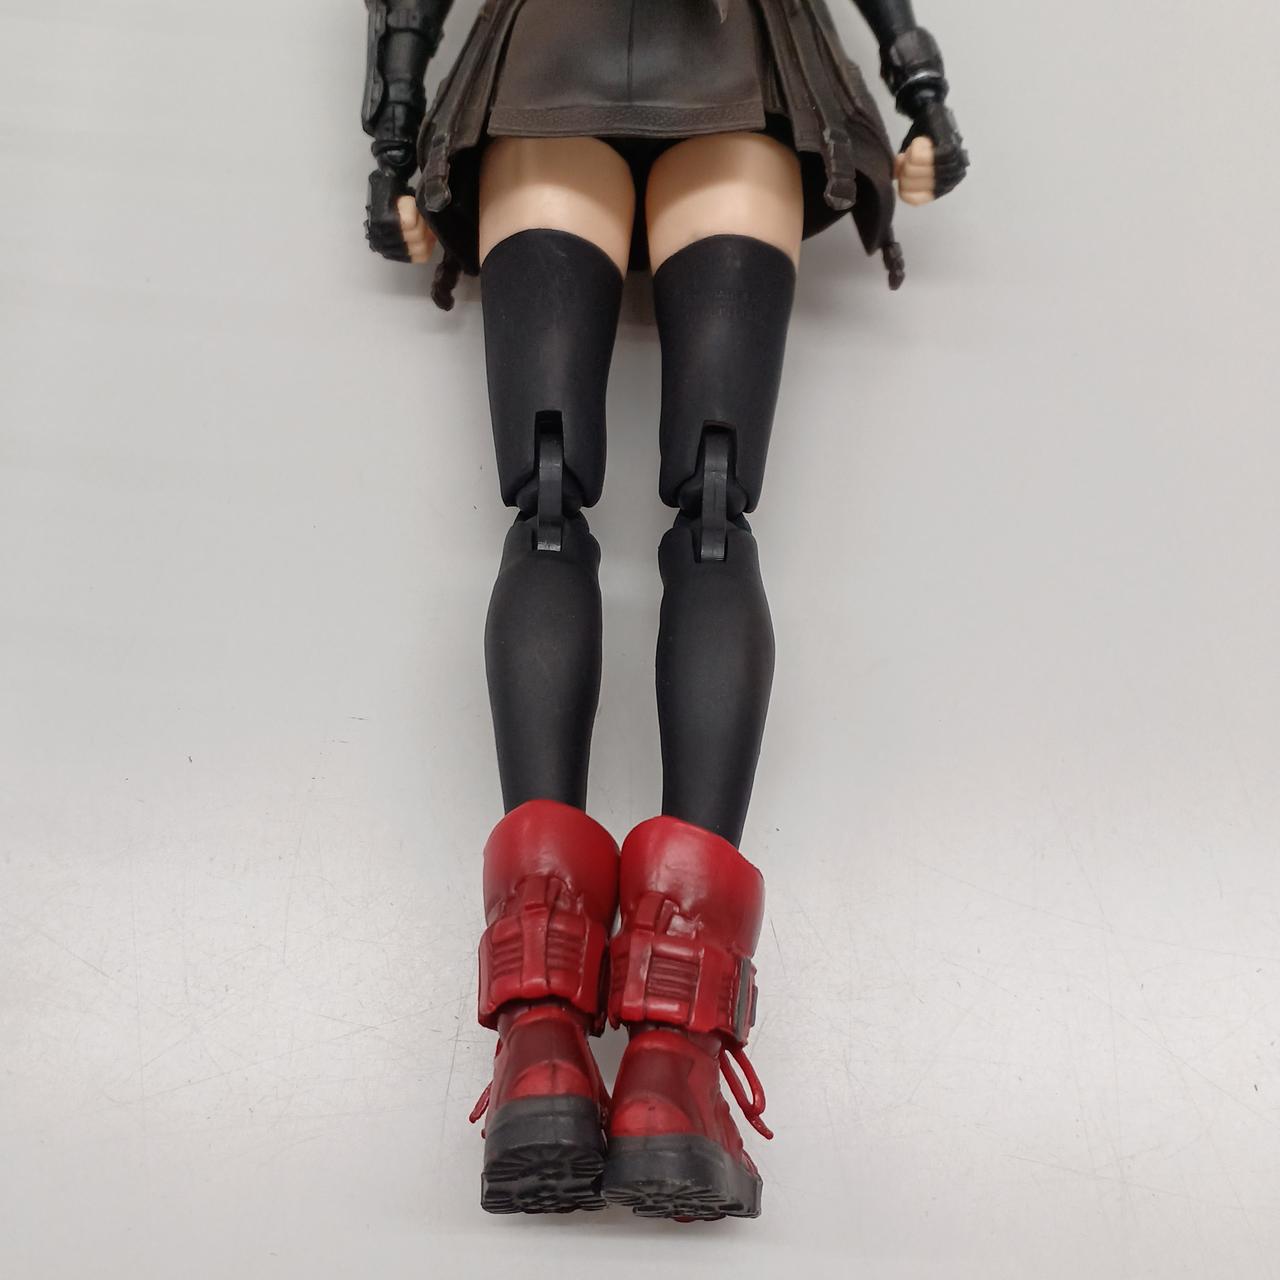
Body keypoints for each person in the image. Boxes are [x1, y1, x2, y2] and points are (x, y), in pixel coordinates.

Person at [360, 0, 967, 1220]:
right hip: (733, 72)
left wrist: (393, 124)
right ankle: (670, 1065)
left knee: (544, 501)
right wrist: (918, 84)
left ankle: (539, 1035)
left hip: (545, 68)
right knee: (713, 509)